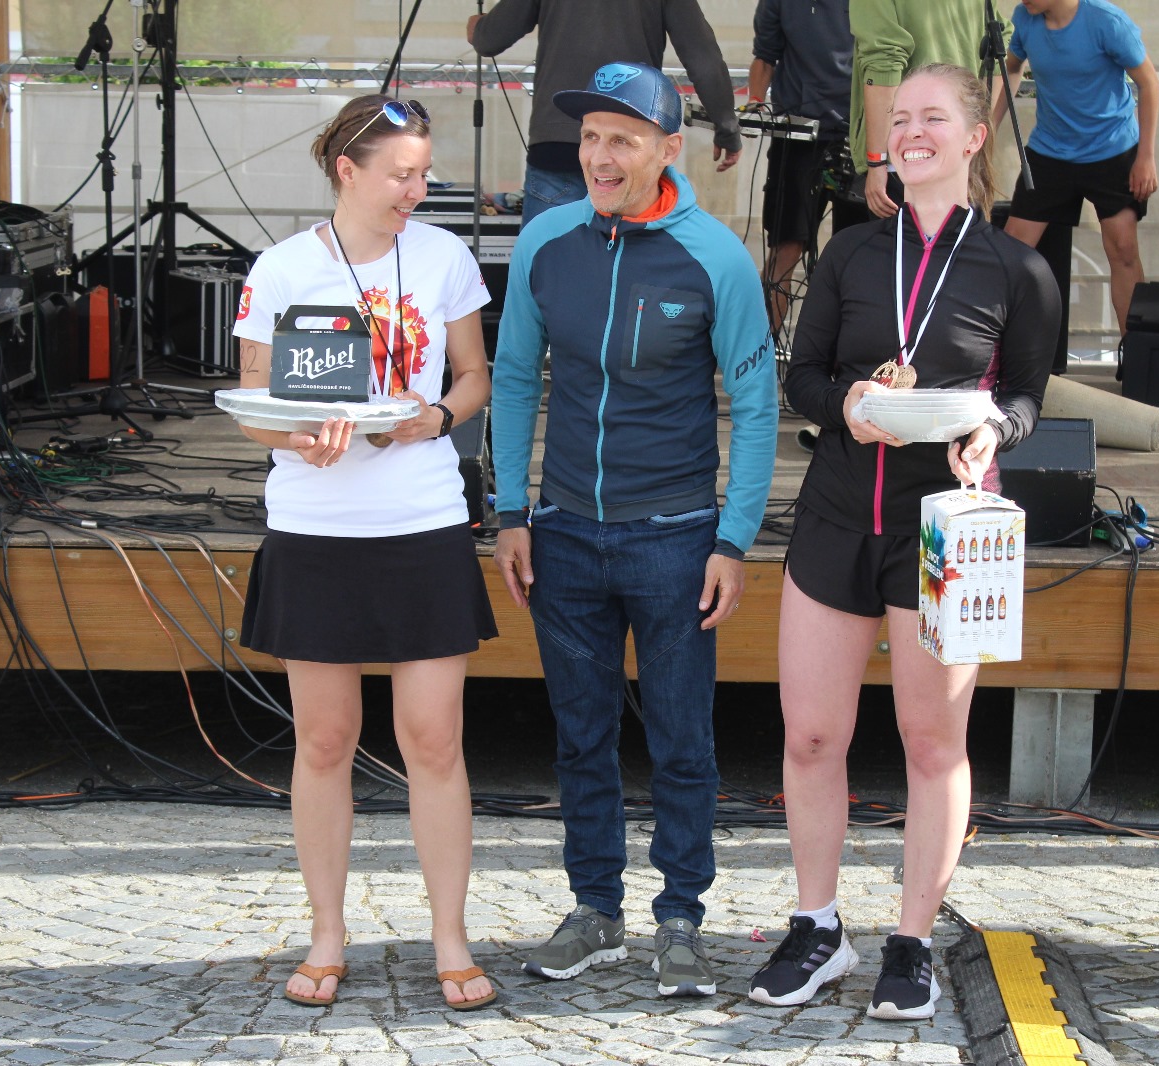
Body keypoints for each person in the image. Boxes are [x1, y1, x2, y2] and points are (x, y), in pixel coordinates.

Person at [751, 63, 1059, 1019]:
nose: (912, 131)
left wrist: (994, 431)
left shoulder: (1018, 269)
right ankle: (817, 927)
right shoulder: (851, 252)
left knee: (932, 742)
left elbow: (1026, 399)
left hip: (943, 533)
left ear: (973, 138)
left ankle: (913, 941)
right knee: (811, 736)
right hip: (838, 518)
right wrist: (845, 404)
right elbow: (801, 376)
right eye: (900, 118)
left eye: (933, 117)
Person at [489, 62, 779, 997]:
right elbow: (514, 380)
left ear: (668, 149)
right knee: (581, 737)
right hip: (564, 535)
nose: (600, 156)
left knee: (683, 742)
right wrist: (510, 513)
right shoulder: (546, 241)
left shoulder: (717, 259)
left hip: (676, 539)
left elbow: (758, 408)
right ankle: (596, 911)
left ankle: (681, 918)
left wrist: (732, 540)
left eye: (622, 139)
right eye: (589, 138)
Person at [230, 94, 498, 1013]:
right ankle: (327, 934)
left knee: (434, 739)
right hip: (315, 529)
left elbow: (473, 376)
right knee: (323, 740)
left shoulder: (445, 256)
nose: (416, 190)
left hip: (422, 523)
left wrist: (437, 416)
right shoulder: (281, 267)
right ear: (347, 170)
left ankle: (451, 937)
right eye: (400, 175)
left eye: (422, 174)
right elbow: (253, 402)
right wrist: (295, 437)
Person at [467, 0, 743, 224]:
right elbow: (703, 58)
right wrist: (727, 128)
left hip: (558, 141)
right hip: (629, 146)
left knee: (548, 263)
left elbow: (489, 39)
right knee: (626, 268)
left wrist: (476, 26)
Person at [991, 0, 1159, 337]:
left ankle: (1134, 354)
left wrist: (1146, 157)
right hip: (1050, 151)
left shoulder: (1106, 21)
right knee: (1010, 253)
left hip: (1112, 152)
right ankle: (993, 351)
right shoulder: (1024, 18)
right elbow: (1012, 68)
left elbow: (1149, 83)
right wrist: (989, 127)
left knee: (1123, 250)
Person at [749, 0, 867, 333]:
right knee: (785, 249)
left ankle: (844, 356)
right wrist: (755, 103)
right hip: (798, 135)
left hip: (860, 136)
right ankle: (760, 351)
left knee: (857, 257)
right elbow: (765, 55)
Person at [849, 0, 988, 220]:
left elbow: (883, 62)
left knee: (902, 242)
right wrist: (973, 136)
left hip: (904, 160)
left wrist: (877, 161)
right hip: (962, 151)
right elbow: (999, 50)